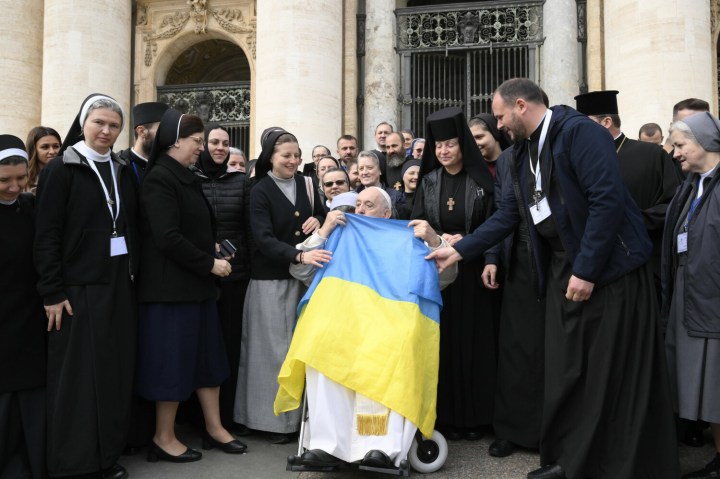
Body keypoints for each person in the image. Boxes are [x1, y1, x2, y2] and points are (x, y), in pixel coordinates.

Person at [427, 78, 679, 479]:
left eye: (499, 115)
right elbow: (509, 214)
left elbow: (606, 201)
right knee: (569, 370)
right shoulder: (522, 152)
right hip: (566, 268)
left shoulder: (580, 132)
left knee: (607, 372)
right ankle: (570, 461)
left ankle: (615, 466)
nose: (499, 125)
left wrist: (587, 270)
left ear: (521, 105)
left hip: (609, 271)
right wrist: (459, 249)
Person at [278, 186, 456, 470]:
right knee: (320, 349)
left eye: (368, 205)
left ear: (386, 213)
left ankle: (381, 448)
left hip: (389, 325)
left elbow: (445, 278)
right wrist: (323, 232)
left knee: (391, 350)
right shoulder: (337, 234)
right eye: (357, 204)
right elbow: (299, 270)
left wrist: (435, 242)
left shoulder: (409, 238)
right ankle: (326, 446)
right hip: (341, 322)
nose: (359, 210)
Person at [35, 93, 139, 479]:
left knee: (111, 373)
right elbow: (46, 235)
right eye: (99, 123)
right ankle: (74, 464)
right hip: (76, 290)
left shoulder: (121, 167)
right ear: (83, 122)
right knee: (79, 380)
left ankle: (105, 456)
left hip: (116, 284)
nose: (107, 131)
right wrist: (52, 291)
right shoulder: (61, 168)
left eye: (114, 125)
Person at [136, 109, 245, 464]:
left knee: (208, 359)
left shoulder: (184, 175)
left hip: (195, 287)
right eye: (197, 142)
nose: (201, 148)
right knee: (172, 364)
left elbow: (193, 229)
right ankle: (163, 436)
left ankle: (215, 428)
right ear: (175, 141)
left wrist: (211, 248)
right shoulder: (159, 180)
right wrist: (209, 262)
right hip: (171, 291)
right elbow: (167, 238)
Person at [410, 107, 498, 442]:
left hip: (474, 273)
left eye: (450, 144)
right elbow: (416, 221)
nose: (444, 151)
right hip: (439, 273)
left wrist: (474, 244)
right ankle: (444, 416)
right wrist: (438, 237)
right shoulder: (429, 181)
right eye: (438, 146)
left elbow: (495, 224)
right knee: (442, 345)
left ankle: (476, 417)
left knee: (474, 344)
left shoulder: (481, 181)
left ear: (462, 145)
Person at [235, 127, 325, 444]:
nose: (293, 160)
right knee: (271, 353)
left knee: (299, 350)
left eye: (297, 155)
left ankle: (298, 419)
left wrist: (318, 218)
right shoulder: (259, 190)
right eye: (286, 155)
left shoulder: (308, 184)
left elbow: (323, 216)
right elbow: (262, 238)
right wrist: (298, 255)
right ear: (270, 157)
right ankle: (268, 421)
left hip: (303, 279)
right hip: (270, 281)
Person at [575, 90, 680, 305]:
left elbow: (674, 204)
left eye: (585, 124)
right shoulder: (580, 160)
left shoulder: (651, 155)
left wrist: (632, 222)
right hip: (595, 267)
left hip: (643, 262)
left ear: (606, 122)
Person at [662, 112, 720, 479]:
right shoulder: (694, 183)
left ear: (705, 143)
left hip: (711, 297)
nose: (675, 153)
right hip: (692, 292)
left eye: (681, 145)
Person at [191, 123, 250, 432]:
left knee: (229, 347)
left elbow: (247, 228)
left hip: (234, 276)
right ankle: (196, 420)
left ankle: (227, 418)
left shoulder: (240, 183)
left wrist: (232, 253)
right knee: (199, 346)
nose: (219, 148)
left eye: (225, 143)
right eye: (214, 142)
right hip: (199, 275)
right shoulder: (189, 179)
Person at [0, 135, 46, 479]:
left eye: (20, 178)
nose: (15, 187)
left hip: (29, 318)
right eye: (4, 180)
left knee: (30, 395)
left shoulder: (30, 207)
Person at [118, 101, 169, 184]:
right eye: (162, 130)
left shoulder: (167, 166)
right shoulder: (119, 166)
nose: (168, 135)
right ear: (142, 132)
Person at [468, 113, 511, 179]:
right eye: (472, 139)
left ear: (494, 134)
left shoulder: (514, 163)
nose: (475, 143)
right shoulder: (472, 170)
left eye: (479, 137)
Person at [25, 126, 61, 193]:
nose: (52, 152)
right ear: (33, 150)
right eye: (45, 147)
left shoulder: (67, 175)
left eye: (56, 146)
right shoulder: (23, 178)